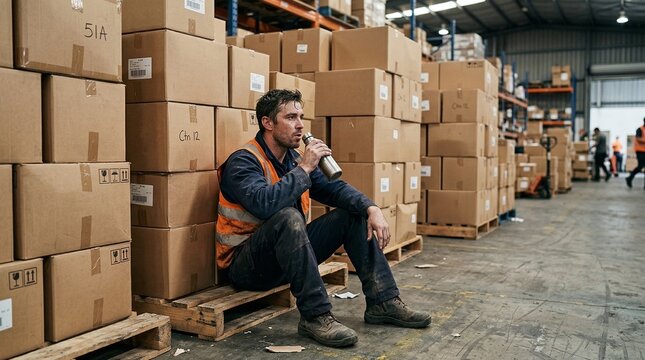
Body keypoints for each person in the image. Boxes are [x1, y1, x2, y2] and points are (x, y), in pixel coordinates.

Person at [216, 89, 431, 348]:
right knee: (288, 217)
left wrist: (370, 208)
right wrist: (305, 167)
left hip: (285, 261)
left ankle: (383, 302)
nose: (300, 125)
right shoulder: (243, 161)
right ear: (267, 123)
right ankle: (315, 316)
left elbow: (335, 190)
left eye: (301, 117)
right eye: (291, 117)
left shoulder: (292, 159)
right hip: (247, 267)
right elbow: (265, 204)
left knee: (352, 215)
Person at [626, 117, 645, 189]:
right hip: (640, 151)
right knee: (640, 166)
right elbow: (638, 138)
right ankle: (629, 178)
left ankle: (630, 178)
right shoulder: (640, 129)